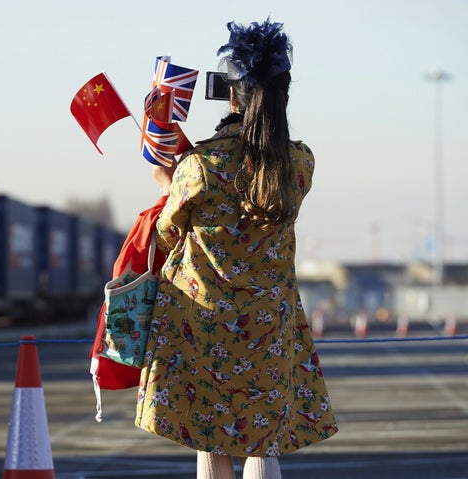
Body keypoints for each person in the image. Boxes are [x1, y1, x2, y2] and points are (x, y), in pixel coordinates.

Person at [135, 19, 338, 479]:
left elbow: (166, 235)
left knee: (209, 434)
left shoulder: (199, 166)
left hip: (201, 326)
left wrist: (168, 184)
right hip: (269, 324)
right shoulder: (300, 163)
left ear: (231, 94)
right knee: (263, 441)